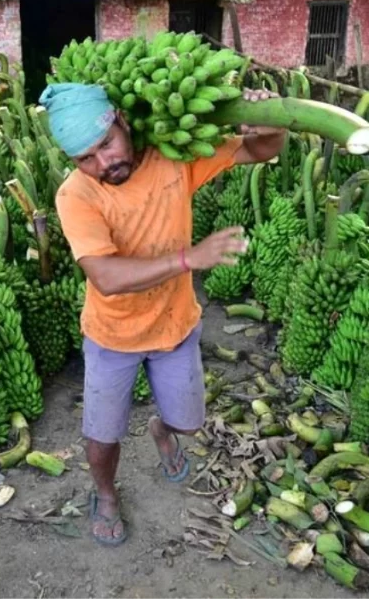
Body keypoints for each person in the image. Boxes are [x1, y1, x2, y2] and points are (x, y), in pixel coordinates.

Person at [39, 81, 288, 546]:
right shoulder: (77, 196)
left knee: (189, 423)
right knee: (102, 438)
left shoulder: (173, 159)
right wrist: (187, 260)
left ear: (122, 121)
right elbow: (106, 276)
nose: (101, 164)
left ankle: (161, 429)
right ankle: (107, 494)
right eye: (84, 159)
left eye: (106, 144)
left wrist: (269, 121)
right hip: (113, 335)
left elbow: (261, 149)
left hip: (175, 326)